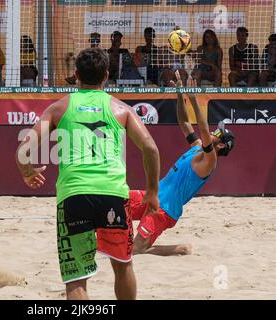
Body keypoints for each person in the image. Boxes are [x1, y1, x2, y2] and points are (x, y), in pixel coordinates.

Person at [15, 47, 160, 300]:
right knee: (123, 264)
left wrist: (28, 171)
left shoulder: (59, 108)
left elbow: (22, 150)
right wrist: (152, 191)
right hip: (113, 194)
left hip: (74, 196)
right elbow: (150, 148)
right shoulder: (121, 109)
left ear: (75, 75)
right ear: (106, 75)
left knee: (76, 280)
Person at [131, 71, 235, 256]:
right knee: (114, 201)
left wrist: (194, 98)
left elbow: (202, 129)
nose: (213, 131)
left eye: (217, 133)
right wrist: (180, 93)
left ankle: (179, 249)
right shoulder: (197, 147)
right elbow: (184, 121)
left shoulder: (210, 160)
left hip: (165, 209)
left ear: (219, 144)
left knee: (134, 250)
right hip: (152, 196)